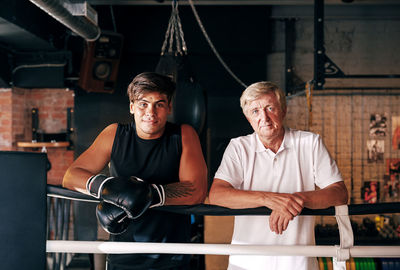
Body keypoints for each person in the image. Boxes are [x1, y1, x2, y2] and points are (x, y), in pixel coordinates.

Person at [63, 72, 208, 270]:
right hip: (123, 252)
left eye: (159, 104)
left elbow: (197, 190)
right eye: (143, 104)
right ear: (132, 107)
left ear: (169, 108)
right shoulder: (115, 134)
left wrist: (150, 195)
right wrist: (108, 187)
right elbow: (71, 176)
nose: (151, 111)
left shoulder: (182, 135)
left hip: (171, 254)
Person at [209, 81, 348, 270]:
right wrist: (269, 199)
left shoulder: (310, 142)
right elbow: (217, 195)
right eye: (255, 111)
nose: (264, 117)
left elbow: (339, 193)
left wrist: (294, 200)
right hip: (247, 263)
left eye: (270, 108)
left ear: (283, 110)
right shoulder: (238, 147)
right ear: (247, 117)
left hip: (298, 263)